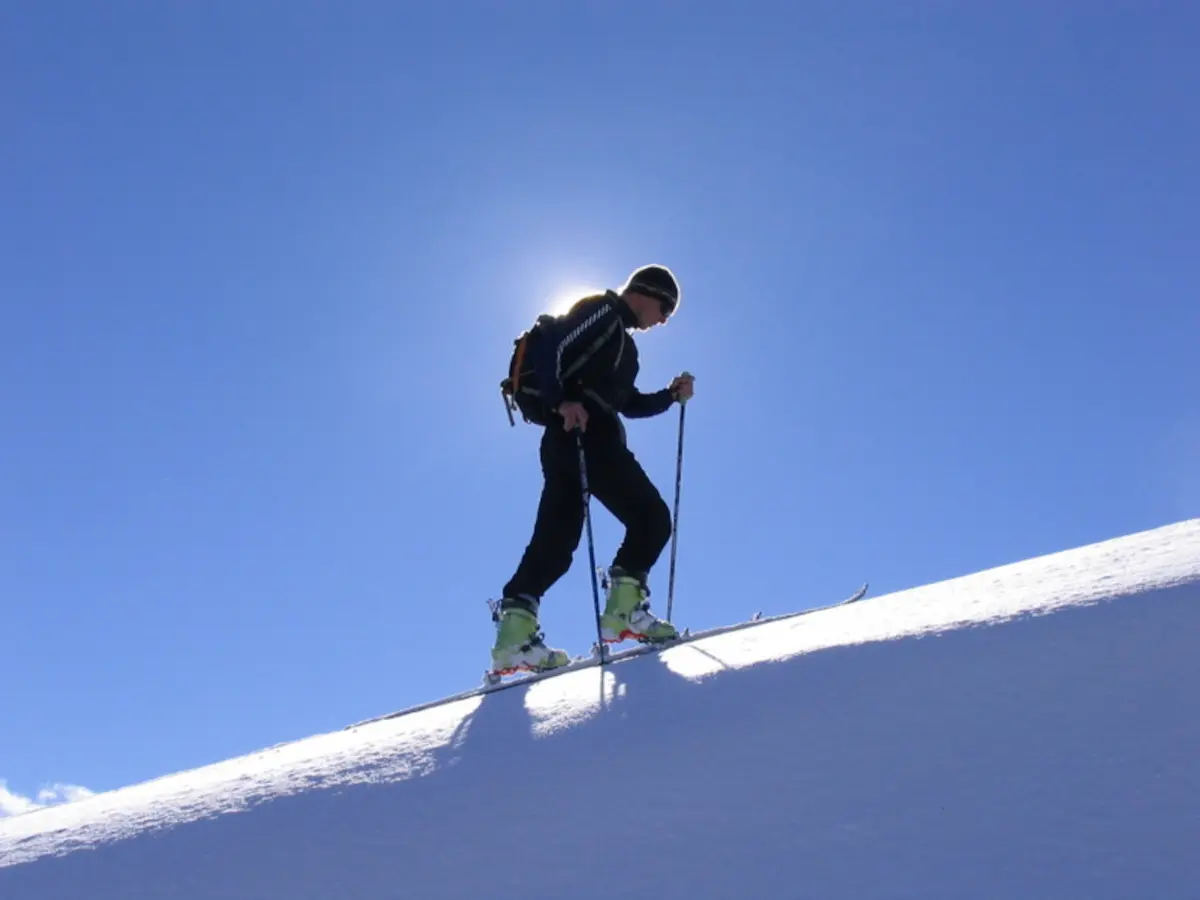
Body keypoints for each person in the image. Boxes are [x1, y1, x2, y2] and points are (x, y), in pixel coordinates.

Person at [491, 263, 696, 676]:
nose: (663, 320)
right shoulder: (601, 312)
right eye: (665, 308)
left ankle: (514, 636)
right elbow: (552, 350)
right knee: (651, 518)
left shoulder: (625, 348)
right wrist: (559, 402)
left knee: (556, 542)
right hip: (585, 434)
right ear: (645, 291)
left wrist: (670, 397)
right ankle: (624, 613)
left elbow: (628, 403)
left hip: (565, 440)